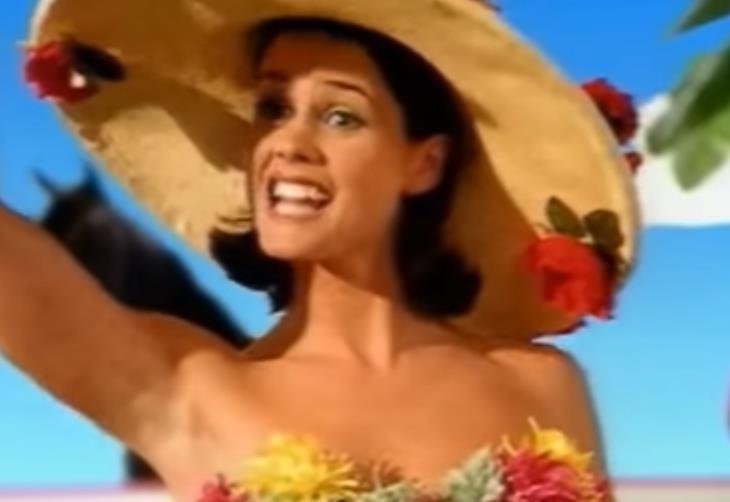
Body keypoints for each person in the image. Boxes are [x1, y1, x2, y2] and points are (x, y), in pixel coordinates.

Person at [4, 0, 639, 500]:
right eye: (273, 108)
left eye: (341, 117)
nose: (287, 143)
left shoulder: (541, 385)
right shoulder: (186, 388)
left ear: (424, 163)